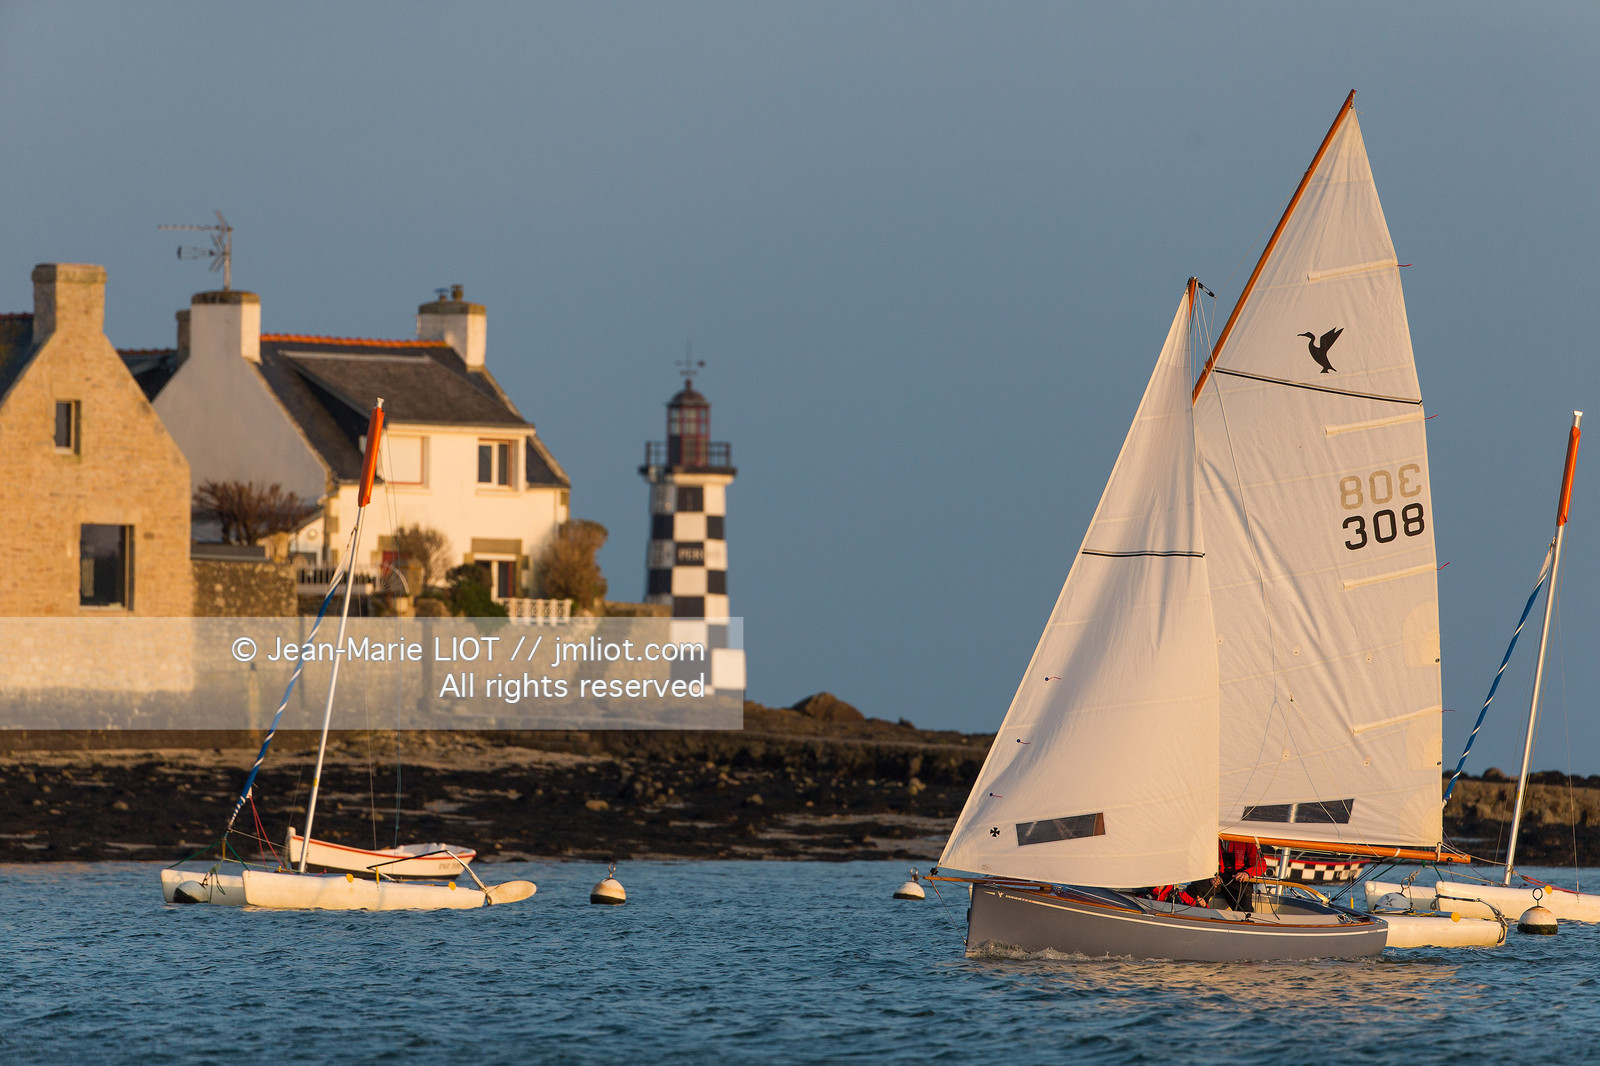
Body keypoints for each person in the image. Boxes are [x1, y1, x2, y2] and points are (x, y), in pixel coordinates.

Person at [1214, 839, 1268, 912]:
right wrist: (1210, 875)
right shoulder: (1211, 837)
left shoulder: (1245, 839)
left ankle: (1245, 921)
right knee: (1198, 888)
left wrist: (1247, 873)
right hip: (1215, 878)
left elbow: (1261, 865)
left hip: (1238, 879)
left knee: (1244, 901)